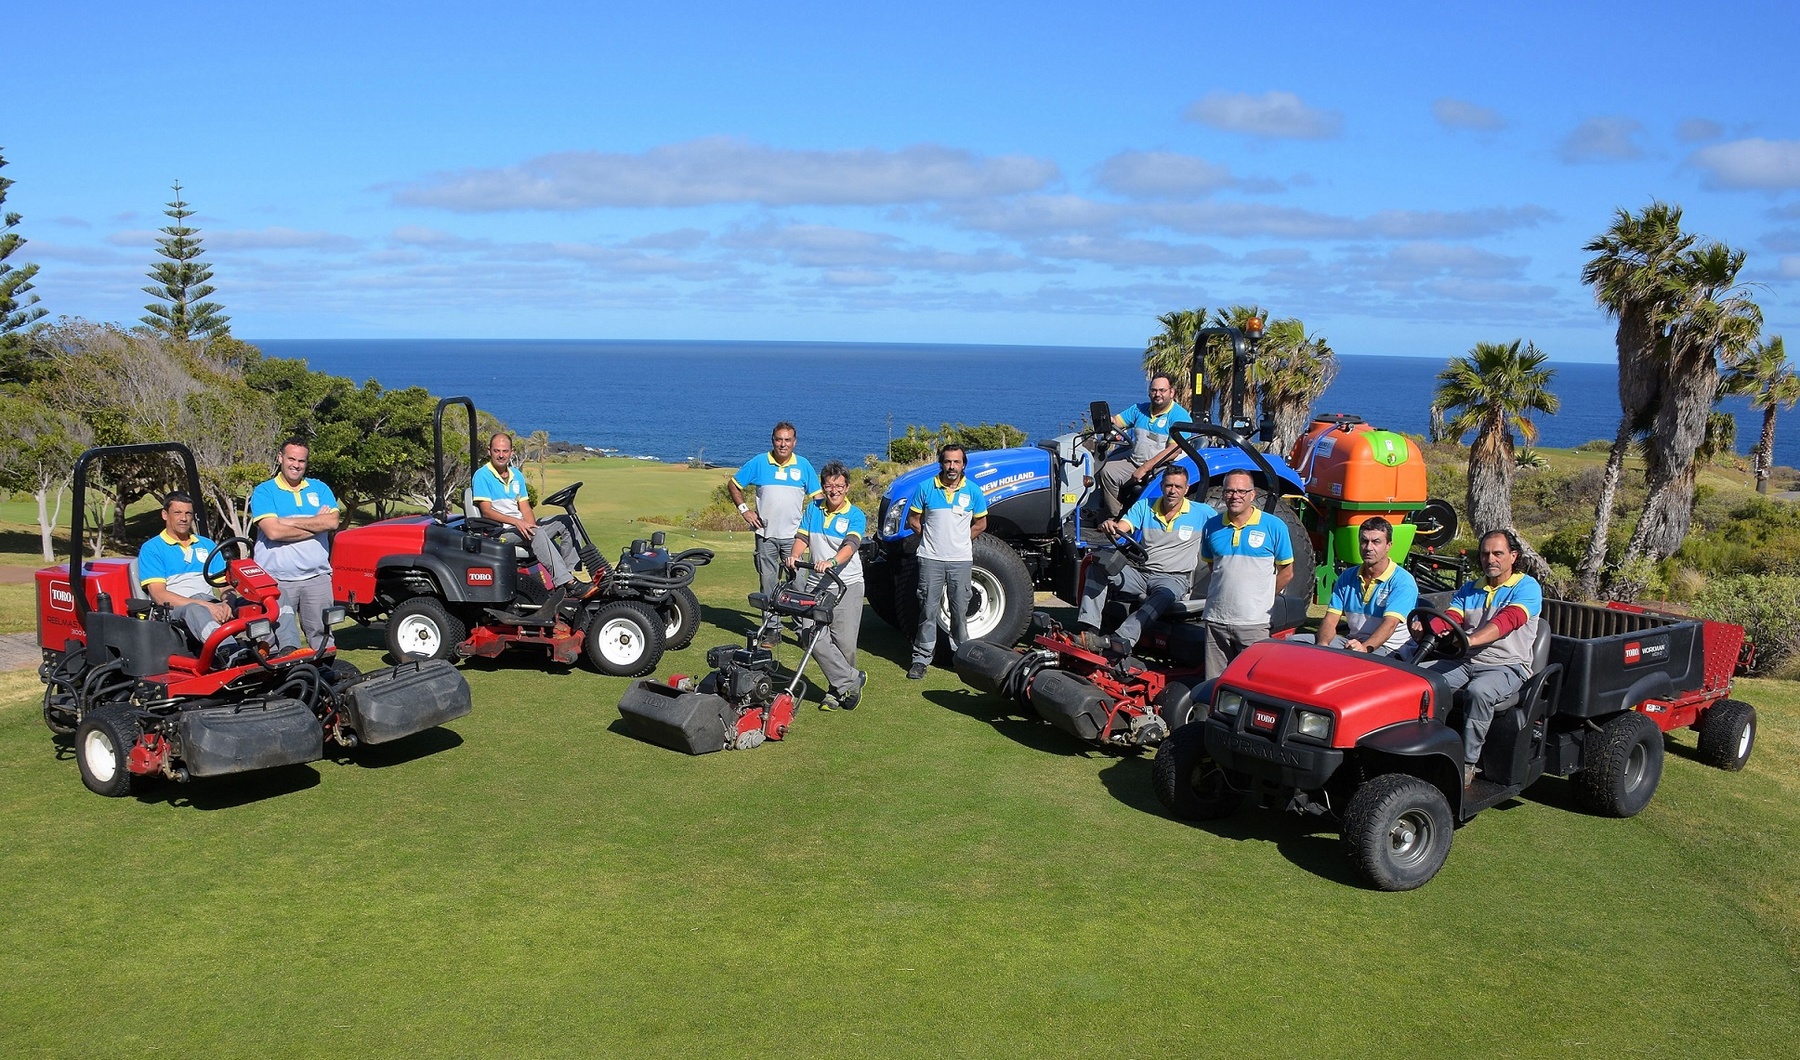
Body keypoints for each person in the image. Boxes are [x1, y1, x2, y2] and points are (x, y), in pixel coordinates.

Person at [1416, 529, 1543, 788]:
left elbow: (1506, 622)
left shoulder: (1527, 587)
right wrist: (1430, 629)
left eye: (1498, 553)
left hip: (1507, 666)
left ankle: (1468, 763)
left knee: (1479, 692)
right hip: (1466, 660)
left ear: (1513, 556)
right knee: (1422, 683)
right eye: (1485, 553)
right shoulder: (1471, 588)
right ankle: (1424, 749)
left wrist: (1471, 639)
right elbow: (1452, 619)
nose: (1490, 559)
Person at [1075, 464, 1214, 653]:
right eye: (1169, 486)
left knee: (1164, 594)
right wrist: (1112, 527)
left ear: (1186, 489)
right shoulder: (1145, 506)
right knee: (1098, 567)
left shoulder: (1202, 513)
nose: (1172, 491)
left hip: (1174, 578)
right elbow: (1122, 527)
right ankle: (1089, 630)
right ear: (1163, 486)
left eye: (1178, 487)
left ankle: (1119, 639)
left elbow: (1225, 526)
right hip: (1142, 573)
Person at [141, 491, 300, 657]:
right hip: (179, 611)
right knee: (195, 609)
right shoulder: (153, 548)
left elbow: (226, 585)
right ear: (165, 515)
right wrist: (207, 606)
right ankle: (232, 653)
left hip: (212, 603)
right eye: (177, 513)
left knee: (275, 594)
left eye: (188, 513)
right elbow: (159, 595)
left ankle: (288, 648)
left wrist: (227, 603)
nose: (184, 518)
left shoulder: (206, 544)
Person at [1198, 468, 1294, 678]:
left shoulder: (1274, 526)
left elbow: (1287, 572)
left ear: (1253, 494)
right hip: (1216, 619)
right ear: (1223, 494)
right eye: (1230, 491)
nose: (1235, 496)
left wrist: (1263, 598)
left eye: (1242, 491)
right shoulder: (1211, 526)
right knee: (1215, 683)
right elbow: (1214, 567)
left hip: (1254, 622)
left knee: (1251, 681)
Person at [472, 432, 586, 605]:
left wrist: (530, 525)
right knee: (537, 533)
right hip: (500, 532)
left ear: (511, 452)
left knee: (568, 521)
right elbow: (487, 511)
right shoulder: (482, 476)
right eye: (497, 451)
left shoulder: (516, 475)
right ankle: (566, 582)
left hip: (521, 526)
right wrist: (519, 523)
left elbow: (525, 507)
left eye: (505, 451)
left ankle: (569, 575)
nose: (501, 455)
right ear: (489, 451)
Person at [788, 461, 867, 710]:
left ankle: (836, 692)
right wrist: (795, 555)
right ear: (823, 486)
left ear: (847, 487)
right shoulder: (814, 508)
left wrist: (831, 562)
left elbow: (850, 546)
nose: (834, 491)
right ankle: (852, 680)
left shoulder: (855, 515)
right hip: (816, 584)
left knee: (843, 642)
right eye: (829, 486)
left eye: (839, 486)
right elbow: (802, 537)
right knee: (810, 635)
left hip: (847, 585)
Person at [905, 443, 988, 680]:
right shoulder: (925, 488)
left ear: (963, 465)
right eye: (948, 461)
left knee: (959, 610)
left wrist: (961, 539)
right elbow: (913, 520)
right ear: (941, 463)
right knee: (928, 610)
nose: (952, 466)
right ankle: (921, 659)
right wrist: (930, 539)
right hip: (930, 559)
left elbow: (981, 524)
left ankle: (961, 656)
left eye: (957, 462)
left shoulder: (973, 491)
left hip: (960, 561)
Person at [250, 439, 342, 650]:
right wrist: (315, 524)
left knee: (323, 636)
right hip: (278, 580)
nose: (296, 465)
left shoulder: (319, 489)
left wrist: (287, 521)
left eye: (301, 460)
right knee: (276, 639)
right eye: (291, 458)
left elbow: (332, 522)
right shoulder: (265, 491)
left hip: (316, 578)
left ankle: (323, 675)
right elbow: (273, 532)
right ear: (280, 458)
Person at [728, 422, 822, 612]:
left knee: (798, 586)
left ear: (794, 442)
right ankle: (771, 629)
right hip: (765, 535)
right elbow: (734, 484)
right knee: (768, 585)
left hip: (795, 538)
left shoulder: (803, 465)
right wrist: (745, 510)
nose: (783, 444)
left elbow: (818, 498)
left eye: (787, 440)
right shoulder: (759, 462)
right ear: (773, 440)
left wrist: (816, 527)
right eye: (779, 439)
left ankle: (801, 629)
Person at [1293, 517, 1418, 655]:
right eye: (1364, 541)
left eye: (1376, 542)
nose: (1369, 548)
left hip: (1390, 650)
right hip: (1353, 643)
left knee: (1355, 663)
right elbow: (1330, 619)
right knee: (1296, 642)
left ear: (1389, 545)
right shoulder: (1347, 577)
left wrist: (1364, 648)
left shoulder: (1403, 581)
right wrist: (1322, 646)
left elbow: (1390, 625)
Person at [1096, 373, 1192, 518]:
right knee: (1106, 470)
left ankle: (1146, 520)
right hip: (1135, 460)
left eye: (1162, 390)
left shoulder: (1179, 416)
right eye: (1154, 390)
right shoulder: (1139, 409)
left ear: (1171, 392)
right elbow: (1117, 421)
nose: (1157, 394)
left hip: (1162, 466)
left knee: (1157, 486)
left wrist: (1145, 468)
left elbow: (1173, 451)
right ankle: (1115, 517)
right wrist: (1104, 419)